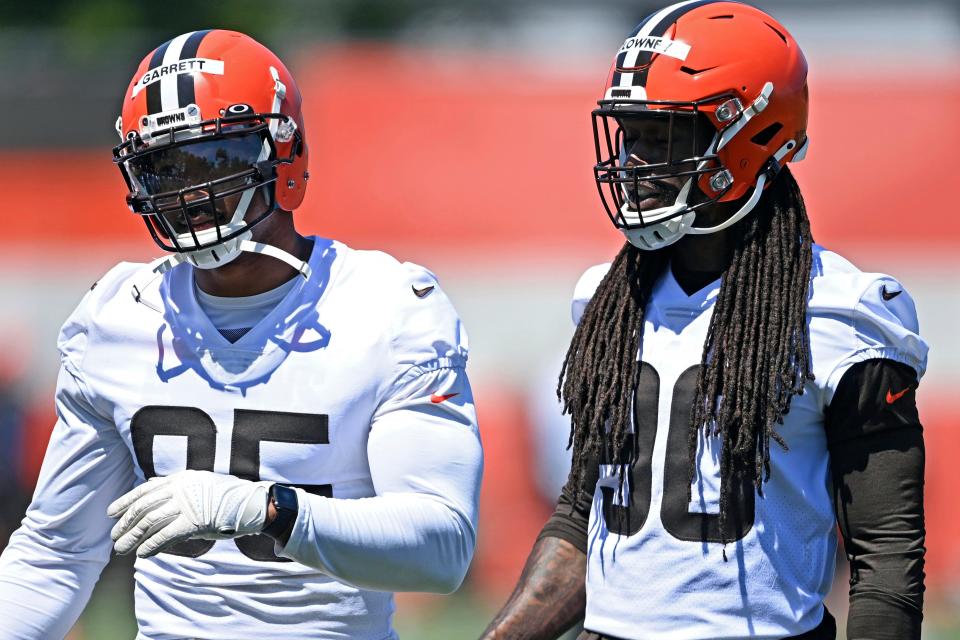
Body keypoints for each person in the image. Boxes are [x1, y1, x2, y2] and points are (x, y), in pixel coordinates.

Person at [0, 30, 483, 639]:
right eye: (163, 169)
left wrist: (266, 510)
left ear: (283, 152)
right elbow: (54, 556)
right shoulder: (119, 316)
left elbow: (441, 549)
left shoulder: (387, 308)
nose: (189, 193)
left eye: (214, 159)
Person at [482, 2, 926, 639]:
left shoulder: (842, 313)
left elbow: (886, 558)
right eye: (629, 134)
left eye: (661, 137)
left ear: (749, 138)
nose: (633, 163)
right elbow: (582, 524)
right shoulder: (609, 300)